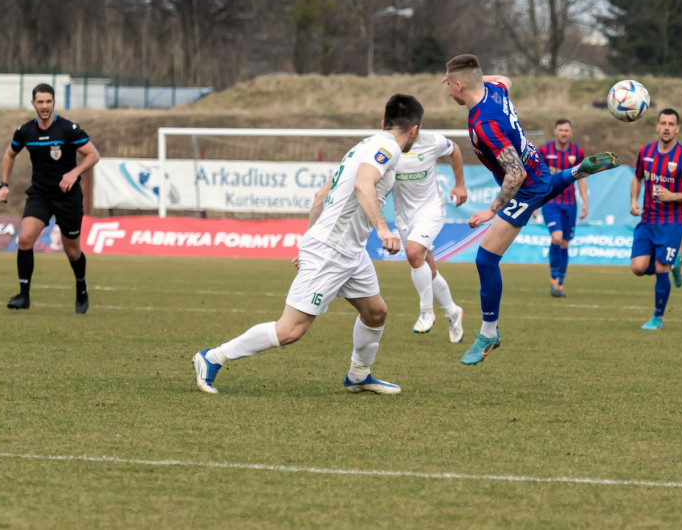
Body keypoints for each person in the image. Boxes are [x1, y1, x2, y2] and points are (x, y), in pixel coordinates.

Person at [192, 94, 424, 395]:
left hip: (349, 250)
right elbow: (362, 185)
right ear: (414, 130)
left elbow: (320, 196)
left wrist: (306, 244)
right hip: (332, 251)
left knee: (376, 312)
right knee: (290, 330)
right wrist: (383, 229)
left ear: (383, 122)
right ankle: (212, 357)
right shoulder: (388, 147)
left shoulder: (362, 147)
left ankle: (358, 375)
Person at [442, 54, 621, 365]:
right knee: (542, 186)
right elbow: (505, 79)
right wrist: (477, 76)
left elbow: (515, 175)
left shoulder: (485, 124)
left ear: (459, 85)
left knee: (485, 259)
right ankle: (575, 172)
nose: (446, 87)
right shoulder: (495, 90)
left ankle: (488, 333)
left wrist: (491, 210)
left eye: (448, 82)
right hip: (538, 167)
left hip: (524, 186)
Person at [0, 83, 100, 313]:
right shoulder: (25, 132)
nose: (45, 106)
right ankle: (23, 296)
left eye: (48, 101)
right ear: (33, 103)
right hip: (40, 195)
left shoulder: (68, 129)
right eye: (40, 102)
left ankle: (81, 286)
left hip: (67, 198)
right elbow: (9, 154)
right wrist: (4, 184)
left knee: (72, 251)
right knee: (25, 239)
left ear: (53, 102)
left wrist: (74, 173)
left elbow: (93, 154)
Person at [630, 108, 682, 330]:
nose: (666, 128)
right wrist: (633, 201)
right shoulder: (645, 152)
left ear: (677, 129)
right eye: (663, 123)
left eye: (671, 124)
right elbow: (636, 178)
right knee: (638, 268)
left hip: (671, 221)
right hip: (648, 220)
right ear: (657, 126)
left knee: (661, 268)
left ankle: (658, 318)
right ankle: (674, 263)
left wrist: (674, 196)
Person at [392, 129, 468, 342]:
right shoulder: (385, 145)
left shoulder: (432, 141)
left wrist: (460, 184)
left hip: (431, 209)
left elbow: (454, 149)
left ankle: (426, 312)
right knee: (428, 269)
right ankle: (453, 311)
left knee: (413, 252)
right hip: (404, 216)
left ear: (414, 129)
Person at [537, 119, 587, 298]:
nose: (564, 133)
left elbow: (581, 177)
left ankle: (560, 284)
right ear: (555, 131)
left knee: (565, 243)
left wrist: (585, 201)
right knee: (556, 238)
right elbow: (536, 176)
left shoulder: (577, 152)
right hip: (550, 202)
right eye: (561, 130)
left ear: (570, 133)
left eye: (566, 130)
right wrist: (534, 202)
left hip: (570, 203)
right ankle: (553, 279)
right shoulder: (545, 151)